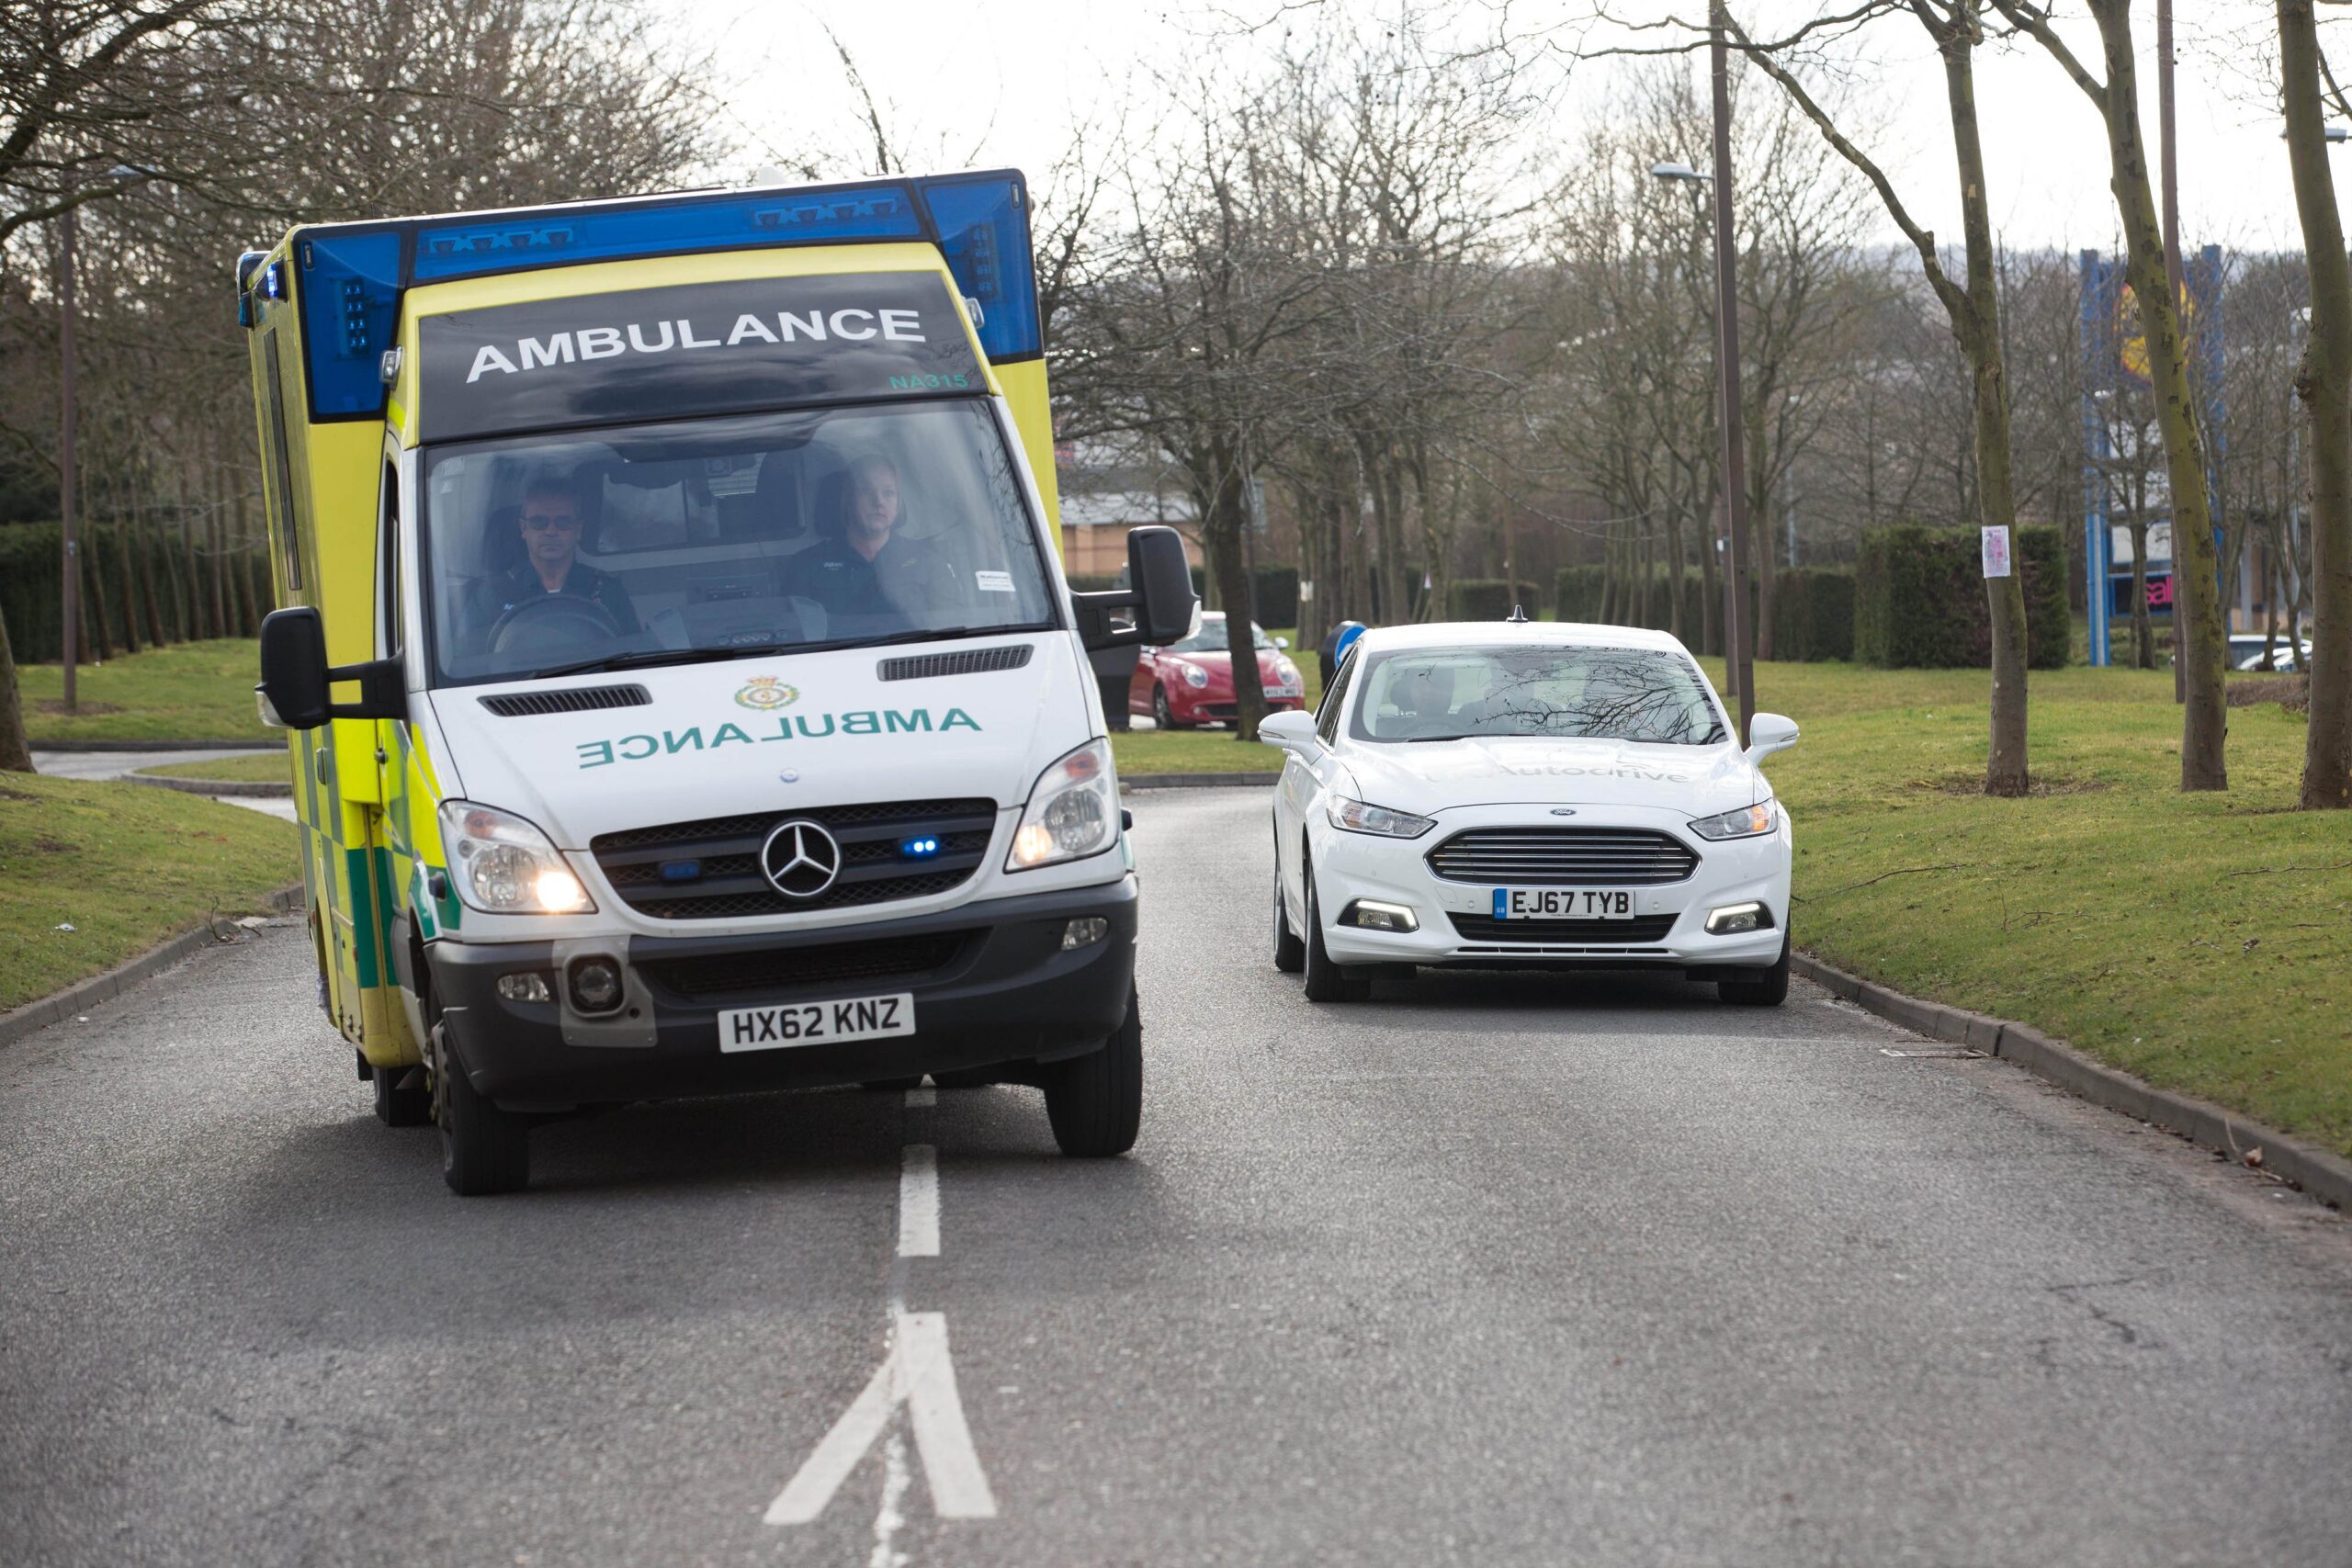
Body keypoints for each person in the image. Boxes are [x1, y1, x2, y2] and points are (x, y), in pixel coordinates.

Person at [464, 474, 639, 650]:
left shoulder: (608, 592)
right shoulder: (493, 594)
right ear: (524, 528)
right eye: (539, 522)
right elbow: (468, 661)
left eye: (563, 522)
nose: (551, 531)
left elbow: (633, 655)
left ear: (578, 530)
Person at [782, 455, 955, 624]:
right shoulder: (806, 565)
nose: (878, 501)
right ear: (848, 499)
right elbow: (795, 634)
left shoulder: (928, 559)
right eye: (866, 490)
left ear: (898, 504)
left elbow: (953, 628)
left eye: (888, 493)